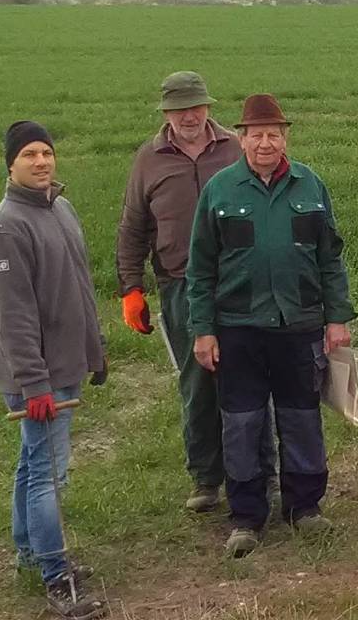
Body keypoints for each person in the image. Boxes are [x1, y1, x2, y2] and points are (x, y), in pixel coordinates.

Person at [186, 93, 355, 557]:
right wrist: (204, 329)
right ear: (241, 140)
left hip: (298, 325)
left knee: (302, 419)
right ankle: (246, 516)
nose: (266, 143)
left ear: (286, 139)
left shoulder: (309, 185)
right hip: (238, 328)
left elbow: (330, 258)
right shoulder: (220, 190)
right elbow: (200, 268)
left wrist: (337, 317)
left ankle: (305, 507)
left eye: (274, 135)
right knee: (242, 424)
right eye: (257, 135)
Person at [116, 70, 274, 513]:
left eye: (196, 106)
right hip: (181, 285)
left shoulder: (234, 148)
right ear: (166, 113)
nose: (190, 116)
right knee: (197, 382)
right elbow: (133, 227)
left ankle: (264, 472)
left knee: (250, 379)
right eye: (180, 109)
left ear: (208, 107)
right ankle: (206, 477)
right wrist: (131, 288)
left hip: (240, 283)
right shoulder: (149, 159)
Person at [0, 121, 107, 619]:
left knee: (32, 463)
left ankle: (30, 555)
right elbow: (12, 316)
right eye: (29, 154)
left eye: (46, 152)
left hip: (65, 364)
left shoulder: (60, 208)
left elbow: (78, 286)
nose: (41, 161)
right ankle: (57, 578)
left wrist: (94, 350)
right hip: (37, 376)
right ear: (10, 164)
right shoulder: (7, 227)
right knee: (48, 475)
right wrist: (34, 384)